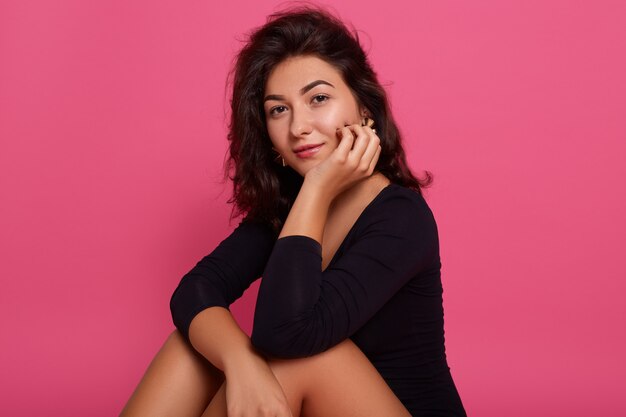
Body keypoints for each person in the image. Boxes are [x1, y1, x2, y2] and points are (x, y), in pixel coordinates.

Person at [121, 6, 466, 417]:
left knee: (303, 358)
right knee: (194, 342)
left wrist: (318, 186)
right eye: (278, 110)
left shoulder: (401, 218)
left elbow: (286, 336)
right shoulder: (289, 207)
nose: (299, 126)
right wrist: (239, 362)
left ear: (364, 110)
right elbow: (196, 290)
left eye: (318, 98)